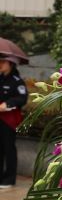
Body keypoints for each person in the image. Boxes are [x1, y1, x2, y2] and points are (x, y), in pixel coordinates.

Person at [0, 56, 28, 189]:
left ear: (10, 64)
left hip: (8, 120)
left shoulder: (17, 81)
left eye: (3, 62)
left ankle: (9, 178)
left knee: (8, 147)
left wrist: (8, 103)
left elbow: (22, 98)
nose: (0, 64)